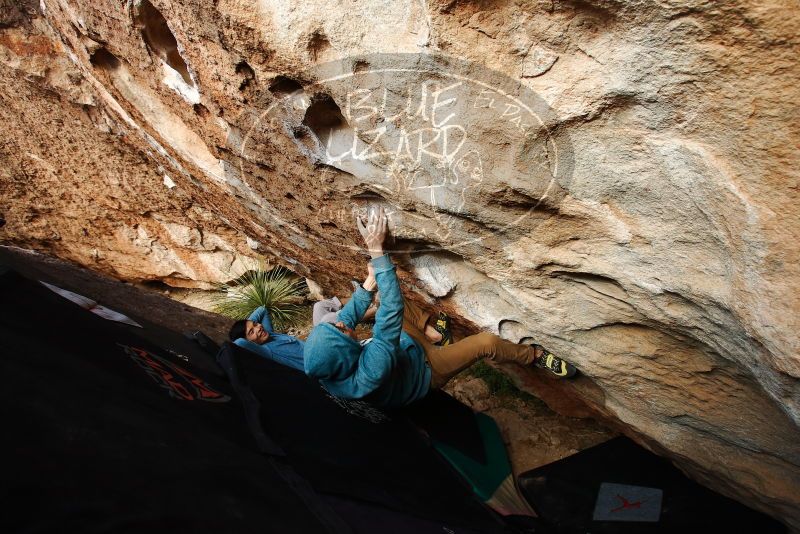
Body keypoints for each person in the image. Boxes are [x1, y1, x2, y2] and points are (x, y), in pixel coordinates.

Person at [303, 207, 577, 409]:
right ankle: (534, 355)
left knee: (386, 299)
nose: (343, 325)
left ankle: (434, 334)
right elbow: (391, 313)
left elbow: (349, 318)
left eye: (335, 326)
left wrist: (370, 281)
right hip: (426, 370)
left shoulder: (331, 363)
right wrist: (376, 250)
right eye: (340, 331)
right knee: (486, 342)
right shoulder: (370, 373)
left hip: (405, 348)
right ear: (343, 357)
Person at [228, 306, 305, 371]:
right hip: (313, 365)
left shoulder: (268, 333)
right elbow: (239, 343)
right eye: (251, 332)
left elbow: (262, 309)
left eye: (255, 324)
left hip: (311, 348)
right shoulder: (265, 351)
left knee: (317, 307)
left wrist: (248, 324)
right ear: (248, 342)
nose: (258, 328)